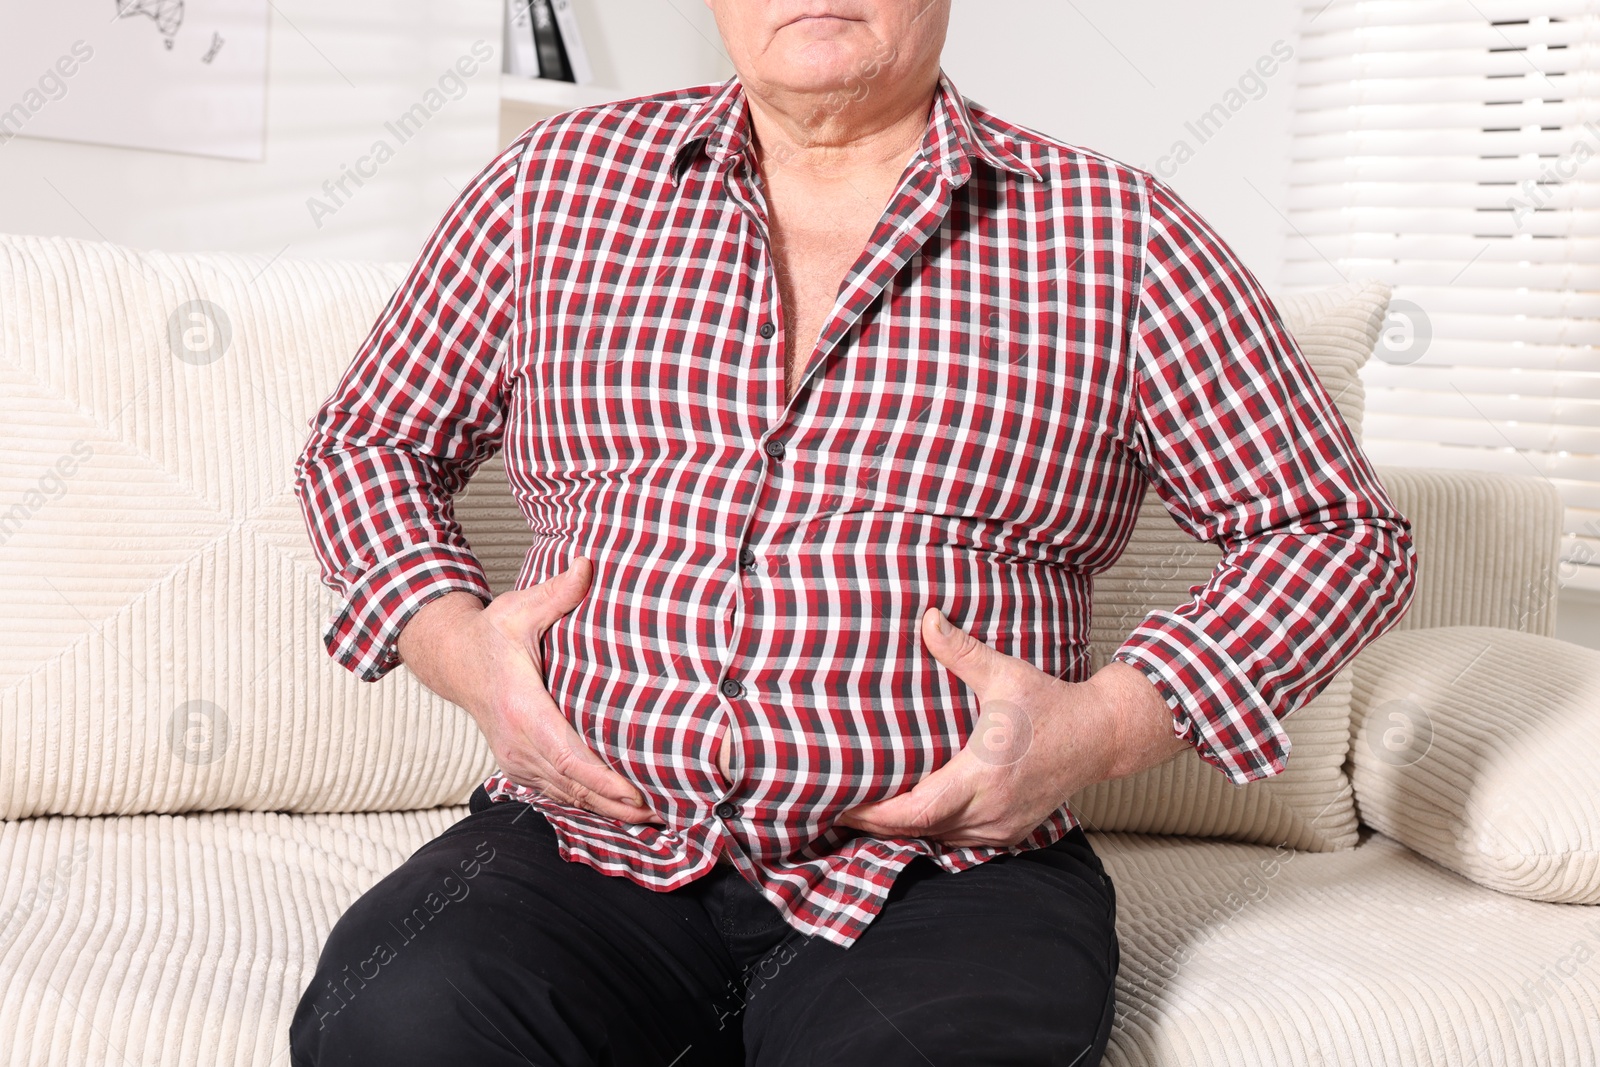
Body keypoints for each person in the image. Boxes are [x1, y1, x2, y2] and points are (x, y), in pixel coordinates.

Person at [288, 2, 1416, 1064]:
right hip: (584, 840)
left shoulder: (1120, 235)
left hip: (948, 876)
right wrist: (463, 650)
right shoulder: (551, 189)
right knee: (395, 1017)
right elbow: (366, 441)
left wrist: (1108, 725)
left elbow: (1331, 530)